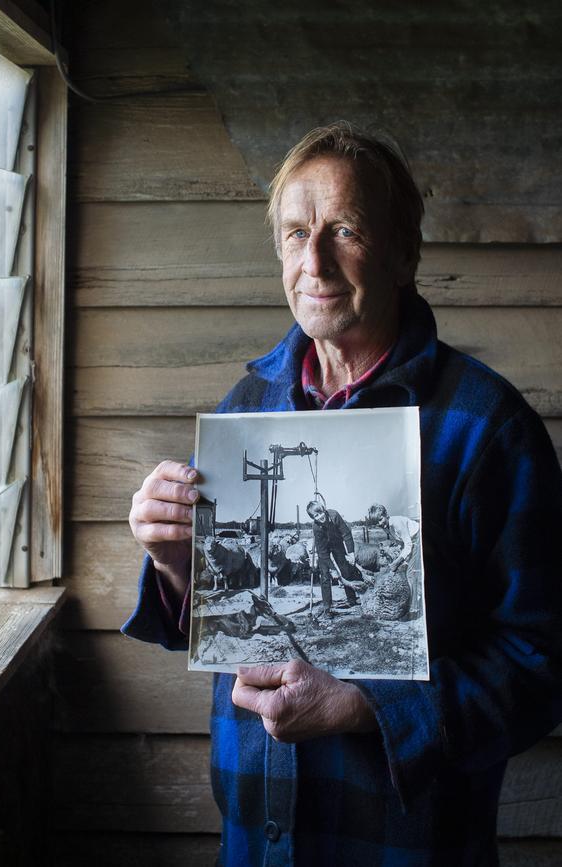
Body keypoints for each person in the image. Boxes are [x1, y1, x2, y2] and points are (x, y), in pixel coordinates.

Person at [123, 122, 562, 865]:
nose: (315, 261)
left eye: (345, 230)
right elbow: (224, 614)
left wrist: (367, 705)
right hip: (258, 841)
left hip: (405, 846)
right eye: (296, 234)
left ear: (403, 253)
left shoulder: (489, 428)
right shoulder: (245, 406)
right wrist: (174, 565)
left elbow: (545, 663)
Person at [305, 500, 359, 612]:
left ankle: (352, 599)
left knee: (345, 569)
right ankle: (327, 606)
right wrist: (333, 569)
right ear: (313, 518)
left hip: (337, 543)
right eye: (316, 515)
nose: (320, 517)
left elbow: (346, 533)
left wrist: (351, 553)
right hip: (323, 549)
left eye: (321, 512)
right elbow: (323, 553)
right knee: (325, 575)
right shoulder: (316, 528)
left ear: (324, 509)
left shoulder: (334, 515)